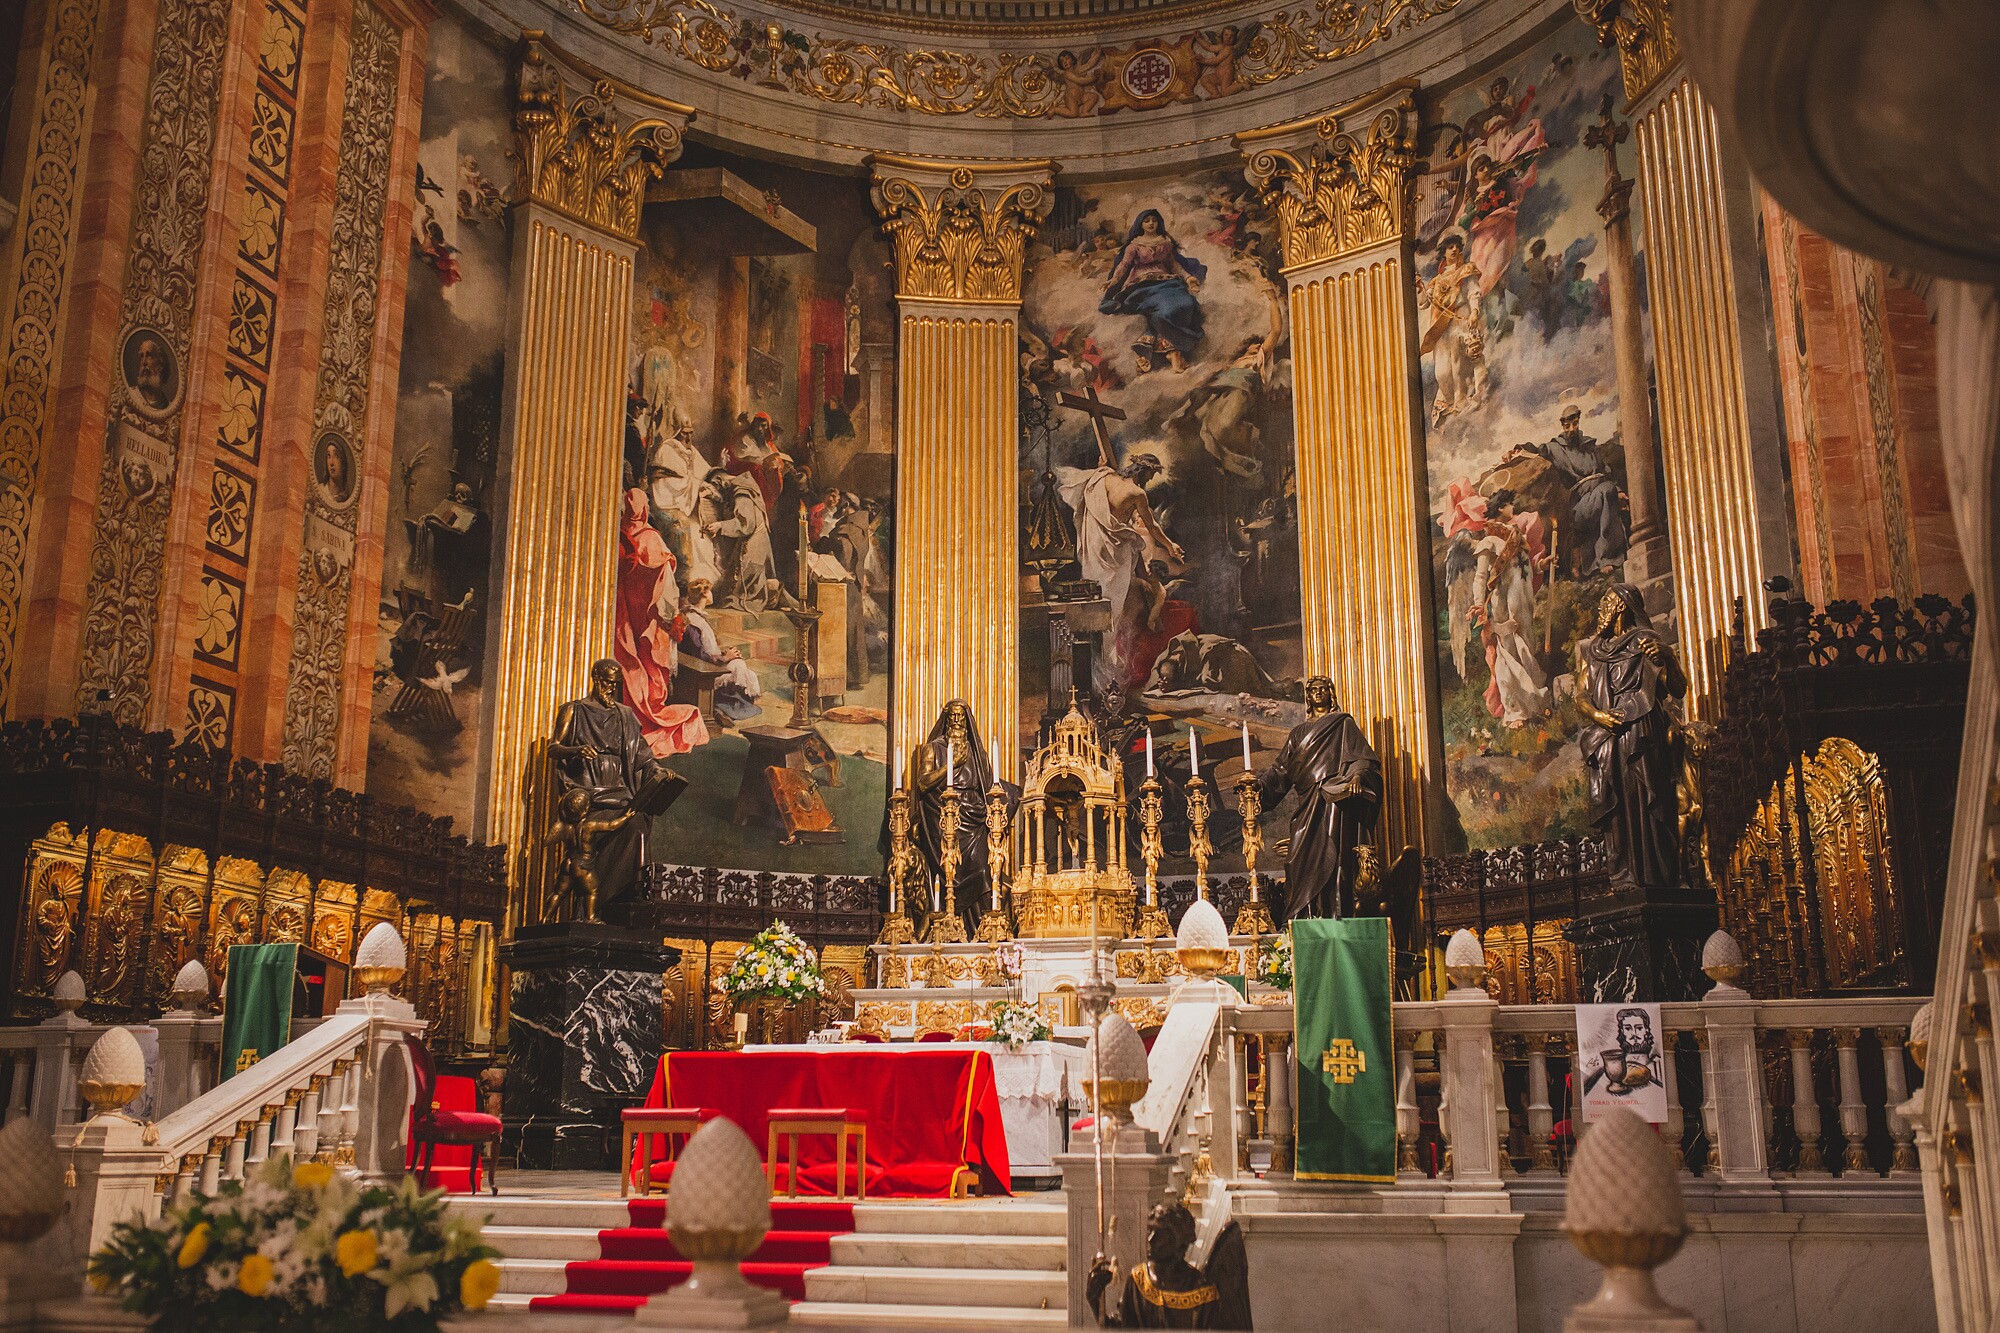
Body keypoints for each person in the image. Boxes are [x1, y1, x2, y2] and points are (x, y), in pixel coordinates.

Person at [1575, 584, 1686, 893]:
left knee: (1648, 801)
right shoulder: (1593, 651)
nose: (1601, 609)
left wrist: (1669, 657)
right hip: (1607, 736)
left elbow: (1678, 689)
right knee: (1616, 811)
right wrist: (1598, 715)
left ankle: (1657, 877)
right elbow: (1580, 695)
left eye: (1606, 602)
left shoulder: (1646, 642)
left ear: (1622, 606)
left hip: (1642, 732)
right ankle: (1623, 878)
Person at [548, 659, 670, 918]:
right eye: (607, 682)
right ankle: (592, 908)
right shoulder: (574, 710)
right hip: (588, 791)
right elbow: (553, 748)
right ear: (595, 678)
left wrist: (656, 770)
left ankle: (624, 897)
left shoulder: (625, 715)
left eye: (616, 684)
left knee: (637, 827)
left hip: (619, 790)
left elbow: (643, 754)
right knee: (598, 835)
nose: (611, 688)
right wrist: (576, 750)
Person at [1257, 676, 1383, 921]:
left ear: (1330, 693)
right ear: (1308, 697)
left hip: (1334, 802)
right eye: (1313, 690)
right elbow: (1281, 770)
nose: (1318, 693)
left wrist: (1357, 777)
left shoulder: (1343, 724)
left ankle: (1336, 914)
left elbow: (1361, 758)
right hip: (1308, 804)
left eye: (1323, 689)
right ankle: (1305, 916)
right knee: (1298, 860)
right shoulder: (1298, 733)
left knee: (1335, 857)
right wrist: (1258, 788)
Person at [1057, 452, 1183, 692]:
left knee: (1097, 603)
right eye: (1150, 475)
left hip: (1096, 548)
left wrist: (1102, 466)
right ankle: (1104, 673)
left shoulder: (1104, 477)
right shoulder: (1137, 494)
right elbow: (1152, 526)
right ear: (1144, 472)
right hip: (1115, 556)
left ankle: (1100, 672)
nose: (1149, 480)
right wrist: (1170, 545)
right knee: (1112, 610)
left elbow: (1098, 485)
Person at [908, 701, 1020, 938]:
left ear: (968, 721)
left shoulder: (978, 753)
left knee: (984, 871)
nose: (957, 721)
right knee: (950, 873)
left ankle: (983, 931)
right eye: (953, 716)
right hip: (944, 819)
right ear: (946, 719)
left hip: (974, 820)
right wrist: (952, 764)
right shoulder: (933, 749)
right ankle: (952, 928)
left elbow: (989, 786)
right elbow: (923, 783)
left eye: (961, 717)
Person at [615, 488, 708, 757]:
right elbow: (666, 589)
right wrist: (671, 619)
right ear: (644, 509)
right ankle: (649, 721)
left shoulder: (618, 537)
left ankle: (629, 723)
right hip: (649, 623)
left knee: (631, 668)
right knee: (651, 673)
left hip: (624, 620)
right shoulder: (651, 539)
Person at [1085, 1203, 1251, 1329]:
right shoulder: (1138, 1281)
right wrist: (1095, 1302)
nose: (1150, 1240)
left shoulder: (1201, 1291)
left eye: (1159, 1234)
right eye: (1149, 1230)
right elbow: (1122, 1329)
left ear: (1178, 1240)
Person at [1506, 404, 1627, 574]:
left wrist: (1619, 491)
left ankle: (1608, 557)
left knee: (1607, 491)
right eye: (1567, 426)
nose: (1571, 429)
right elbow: (1536, 450)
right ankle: (1606, 558)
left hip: (1601, 492)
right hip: (1580, 505)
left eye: (1575, 424)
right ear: (1562, 426)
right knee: (1606, 491)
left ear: (1578, 422)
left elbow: (1606, 472)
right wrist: (1517, 450)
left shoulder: (1589, 446)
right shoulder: (1556, 448)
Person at [1099, 209, 1207, 372]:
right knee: (1165, 311)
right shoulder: (1134, 245)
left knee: (1187, 304)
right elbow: (1124, 265)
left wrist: (1188, 278)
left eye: (1154, 220)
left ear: (1159, 223)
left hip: (1168, 283)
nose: (1151, 223)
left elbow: (1174, 265)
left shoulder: (1165, 243)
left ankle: (1149, 347)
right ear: (1140, 224)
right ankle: (1174, 352)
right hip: (1143, 287)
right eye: (1147, 220)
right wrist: (1114, 280)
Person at [1417, 234, 1489, 424]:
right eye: (1450, 247)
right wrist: (1421, 288)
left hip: (1460, 318)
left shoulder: (1466, 270)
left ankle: (1461, 404)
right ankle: (1450, 404)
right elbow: (1424, 303)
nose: (1454, 249)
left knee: (1459, 367)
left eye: (1457, 246)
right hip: (1442, 326)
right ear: (1444, 252)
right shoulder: (1436, 280)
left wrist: (1474, 311)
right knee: (1441, 372)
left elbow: (1473, 292)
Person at [677, 578, 762, 724]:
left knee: (742, 667)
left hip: (712, 663)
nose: (712, 594)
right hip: (704, 671)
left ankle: (726, 707)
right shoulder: (692, 621)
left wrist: (727, 654)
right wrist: (725, 658)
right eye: (710, 591)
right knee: (739, 666)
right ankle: (722, 707)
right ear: (704, 594)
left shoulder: (698, 617)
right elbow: (699, 656)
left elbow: (707, 648)